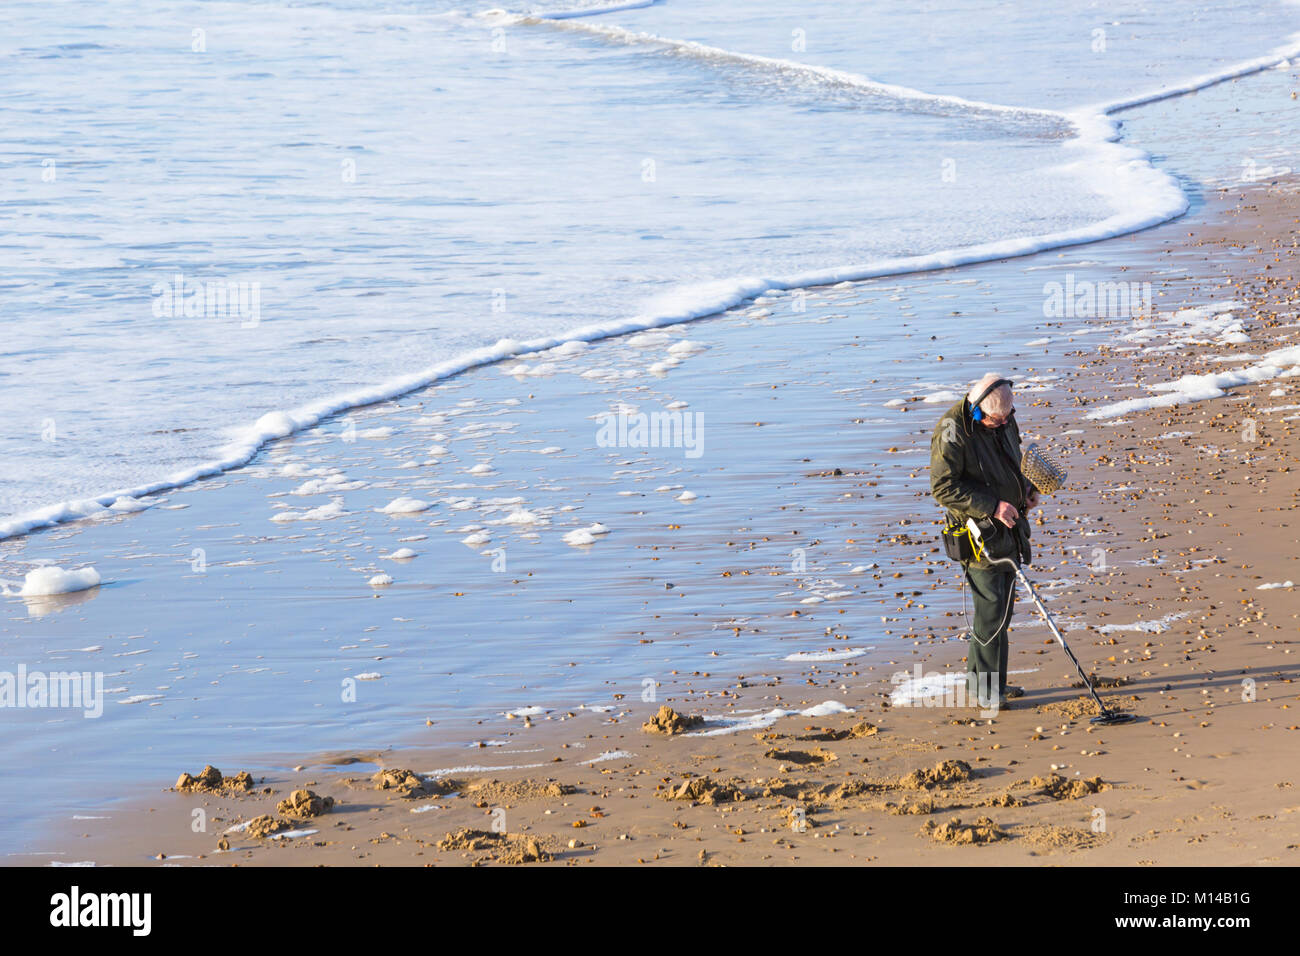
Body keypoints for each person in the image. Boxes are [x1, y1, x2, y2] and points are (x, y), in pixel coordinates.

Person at [929, 373, 1038, 709]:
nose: (1004, 423)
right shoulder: (952, 431)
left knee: (999, 612)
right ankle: (989, 693)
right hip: (978, 536)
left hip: (1010, 529)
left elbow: (1013, 462)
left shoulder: (1004, 418)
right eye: (996, 419)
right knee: (991, 613)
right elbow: (943, 488)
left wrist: (1027, 490)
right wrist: (992, 506)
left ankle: (985, 685)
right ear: (977, 411)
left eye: (1007, 416)